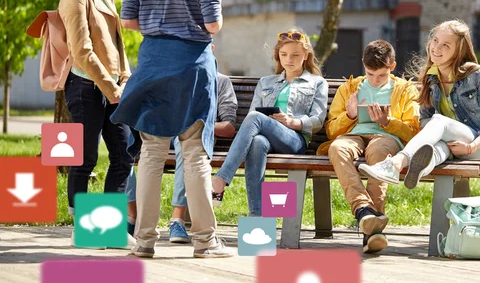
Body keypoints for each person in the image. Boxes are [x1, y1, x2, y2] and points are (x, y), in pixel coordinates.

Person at [110, 0, 231, 258]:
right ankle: (205, 242)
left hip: (152, 62)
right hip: (192, 64)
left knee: (150, 151)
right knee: (193, 154)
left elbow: (128, 20)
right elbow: (213, 24)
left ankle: (144, 241)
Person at [359, 20, 480, 190]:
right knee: (435, 149)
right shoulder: (432, 77)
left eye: (446, 45)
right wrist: (436, 133)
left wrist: (470, 147)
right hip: (451, 146)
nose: (436, 48)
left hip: (479, 147)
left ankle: (395, 164)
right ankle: (419, 170)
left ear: (458, 50)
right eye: (435, 40)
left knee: (439, 120)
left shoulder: (476, 75)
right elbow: (424, 120)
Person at [57, 0, 133, 245]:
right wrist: (110, 88)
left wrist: (126, 78)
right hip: (86, 88)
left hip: (113, 88)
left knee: (123, 155)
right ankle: (87, 229)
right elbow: (83, 51)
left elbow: (117, 44)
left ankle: (107, 227)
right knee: (85, 159)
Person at [317, 40, 420, 254]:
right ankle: (365, 213)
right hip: (353, 134)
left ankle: (369, 227)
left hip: (386, 136)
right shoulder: (351, 88)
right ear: (364, 66)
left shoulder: (405, 90)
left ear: (392, 66)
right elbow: (331, 131)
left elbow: (414, 131)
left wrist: (387, 122)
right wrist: (350, 115)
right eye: (370, 74)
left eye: (381, 75)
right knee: (337, 148)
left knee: (379, 151)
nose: (375, 80)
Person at [211, 29, 328, 216]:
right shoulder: (266, 82)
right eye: (284, 55)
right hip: (266, 138)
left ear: (305, 55)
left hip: (294, 140)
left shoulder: (317, 83)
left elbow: (318, 120)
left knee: (256, 118)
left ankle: (221, 179)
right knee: (257, 142)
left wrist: (292, 122)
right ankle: (257, 218)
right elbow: (253, 116)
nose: (288, 59)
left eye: (295, 55)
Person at [124, 70, 237, 243]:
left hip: (193, 137)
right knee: (123, 143)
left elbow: (229, 127)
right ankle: (132, 214)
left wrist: (200, 126)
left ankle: (177, 220)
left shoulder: (221, 81)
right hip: (163, 132)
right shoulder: (172, 75)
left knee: (185, 139)